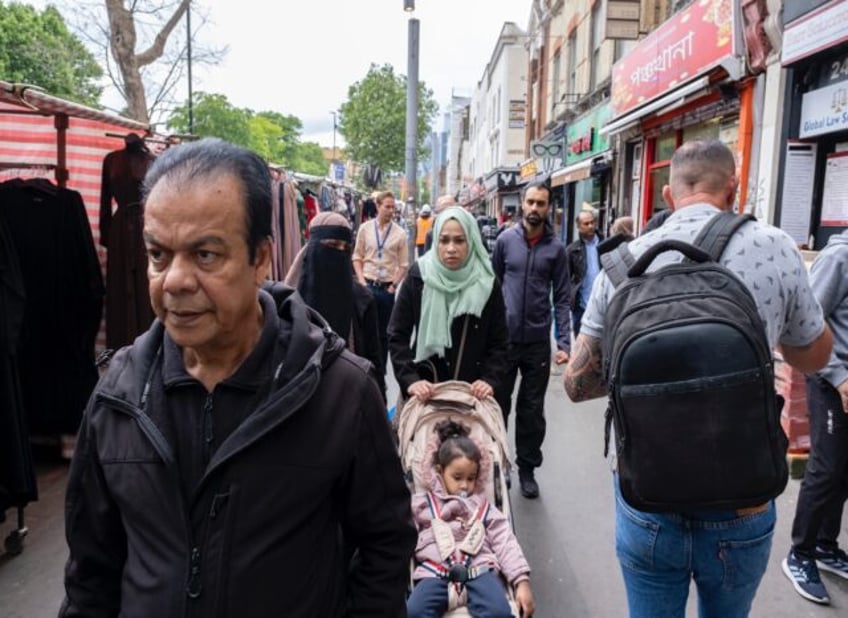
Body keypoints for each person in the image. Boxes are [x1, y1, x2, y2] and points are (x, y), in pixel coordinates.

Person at [60, 138, 416, 617]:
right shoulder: (117, 398)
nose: (175, 280)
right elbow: (90, 575)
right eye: (158, 255)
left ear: (261, 257)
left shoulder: (341, 393)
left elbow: (385, 550)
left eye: (205, 255)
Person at [564, 139, 833, 618]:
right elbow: (812, 356)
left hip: (648, 499)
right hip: (742, 503)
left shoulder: (622, 263)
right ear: (734, 189)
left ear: (669, 196)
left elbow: (576, 384)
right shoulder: (775, 247)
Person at [407, 419, 535, 618]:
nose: (465, 485)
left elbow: (505, 542)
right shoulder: (421, 505)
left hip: (480, 570)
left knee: (499, 613)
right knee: (413, 612)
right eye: (457, 477)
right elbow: (402, 537)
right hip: (434, 572)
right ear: (440, 472)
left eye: (471, 478)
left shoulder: (485, 508)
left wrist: (522, 581)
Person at [492, 180, 571, 499]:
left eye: (541, 203)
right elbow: (492, 287)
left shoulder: (557, 249)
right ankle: (497, 466)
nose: (536, 209)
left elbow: (563, 297)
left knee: (531, 409)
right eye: (531, 203)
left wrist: (564, 342)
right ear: (521, 205)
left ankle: (527, 469)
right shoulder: (504, 241)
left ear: (548, 207)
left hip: (538, 341)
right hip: (505, 341)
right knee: (498, 405)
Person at [783, 228, 848, 605]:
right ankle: (800, 554)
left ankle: (825, 545)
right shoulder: (838, 258)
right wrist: (839, 378)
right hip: (830, 380)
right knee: (825, 470)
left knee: (844, 470)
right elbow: (810, 323)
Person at [388, 206, 508, 404]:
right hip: (426, 393)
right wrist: (410, 380)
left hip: (472, 396)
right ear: (436, 241)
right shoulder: (419, 276)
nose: (451, 248)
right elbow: (397, 333)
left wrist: (489, 380)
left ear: (471, 241)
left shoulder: (486, 282)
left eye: (459, 240)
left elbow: (500, 341)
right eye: (444, 240)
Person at [284, 211, 385, 399]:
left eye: (345, 248)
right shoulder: (289, 301)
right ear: (312, 247)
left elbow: (373, 359)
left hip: (348, 399)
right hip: (298, 400)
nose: (339, 252)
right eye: (332, 245)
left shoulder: (362, 299)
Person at [352, 190, 409, 373]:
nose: (391, 211)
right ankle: (362, 370)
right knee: (363, 330)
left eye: (393, 207)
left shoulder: (400, 234)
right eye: (387, 207)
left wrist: (394, 286)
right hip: (367, 284)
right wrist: (361, 281)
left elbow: (404, 264)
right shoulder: (365, 229)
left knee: (384, 334)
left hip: (386, 290)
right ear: (377, 206)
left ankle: (380, 371)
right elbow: (357, 257)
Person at [565, 208, 603, 337]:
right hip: (581, 306)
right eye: (586, 224)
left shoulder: (606, 244)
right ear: (578, 227)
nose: (591, 226)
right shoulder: (572, 250)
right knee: (581, 346)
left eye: (592, 222)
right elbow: (566, 278)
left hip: (603, 305)